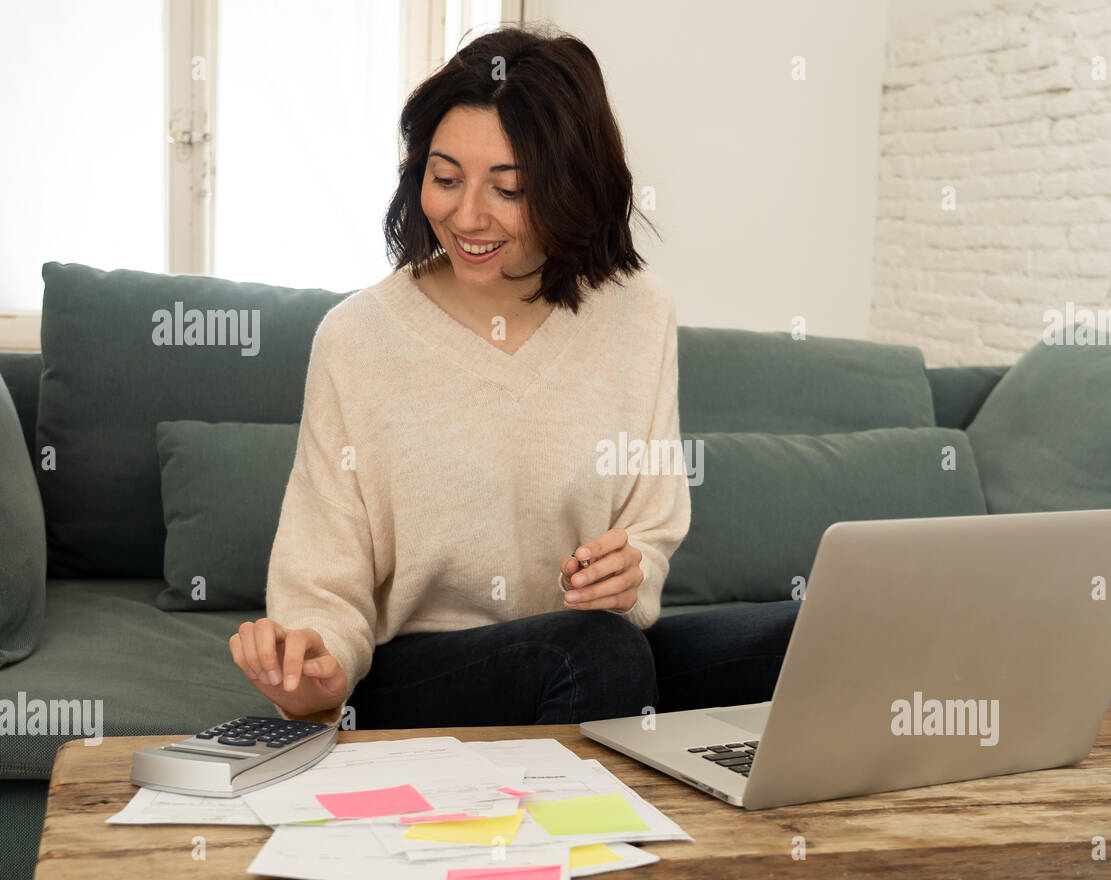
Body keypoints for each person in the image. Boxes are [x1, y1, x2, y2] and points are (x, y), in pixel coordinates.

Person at [228, 25, 799, 729]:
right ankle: (606, 839)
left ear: (571, 188)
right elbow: (323, 581)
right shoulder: (357, 340)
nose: (466, 216)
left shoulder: (639, 315)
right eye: (445, 179)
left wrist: (630, 578)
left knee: (809, 635)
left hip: (599, 648)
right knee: (596, 655)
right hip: (426, 674)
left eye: (509, 189)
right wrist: (315, 664)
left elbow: (647, 535)